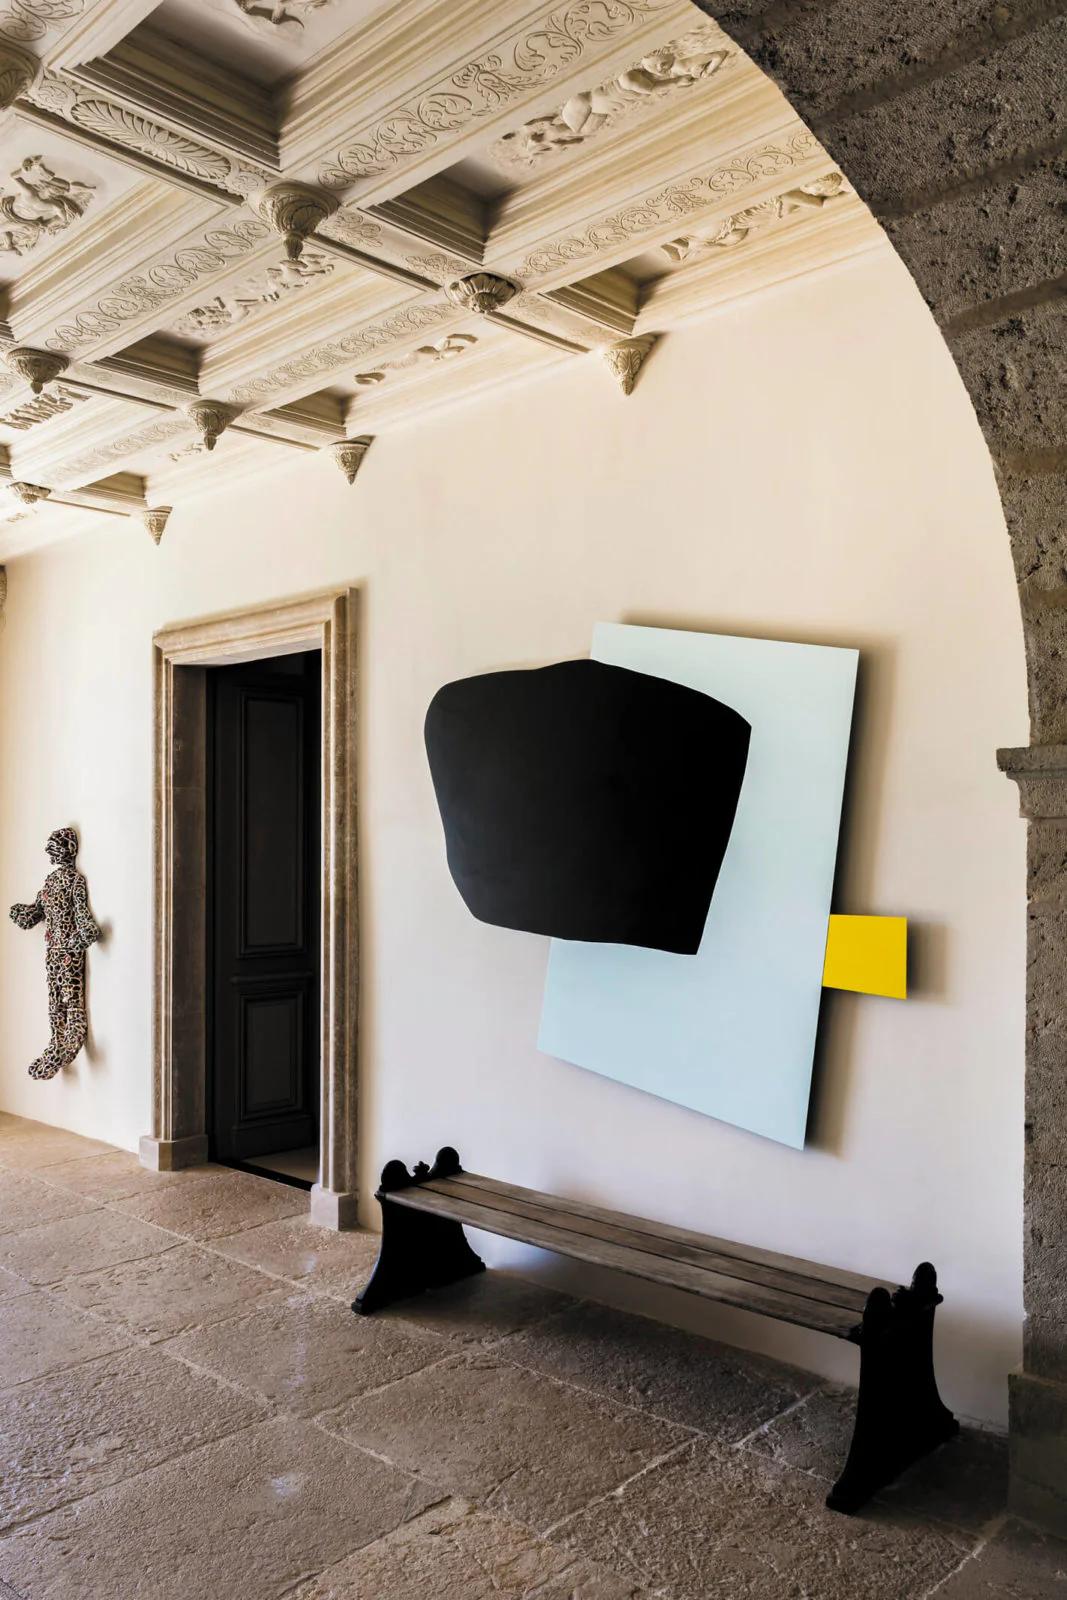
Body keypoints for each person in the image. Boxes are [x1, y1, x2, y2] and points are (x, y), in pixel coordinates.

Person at [9, 827, 100, 1080]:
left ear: (68, 851)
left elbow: (88, 926)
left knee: (71, 1002)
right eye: (52, 849)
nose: (53, 854)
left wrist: (76, 942)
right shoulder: (50, 882)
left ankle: (68, 1045)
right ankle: (56, 1046)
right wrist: (23, 914)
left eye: (56, 849)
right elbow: (37, 912)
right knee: (55, 1002)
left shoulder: (75, 881)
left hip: (67, 954)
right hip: (52, 953)